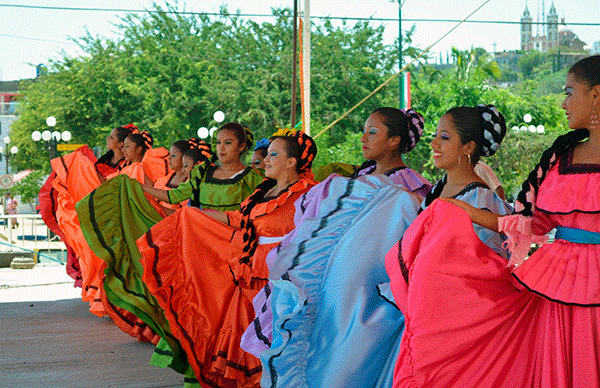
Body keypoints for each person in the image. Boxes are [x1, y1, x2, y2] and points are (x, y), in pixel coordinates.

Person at [395, 55, 600, 387]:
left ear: (596, 95)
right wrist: (466, 213)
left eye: (569, 92)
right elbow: (529, 225)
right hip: (557, 286)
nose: (563, 103)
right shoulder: (559, 159)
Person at [243, 108, 431, 387]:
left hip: (372, 301)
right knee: (317, 355)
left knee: (352, 368)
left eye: (373, 132)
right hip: (331, 291)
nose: (364, 137)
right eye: (365, 130)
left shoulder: (413, 189)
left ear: (394, 141)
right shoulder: (350, 182)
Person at [136, 130, 318, 388]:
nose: (265, 159)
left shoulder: (310, 194)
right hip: (248, 274)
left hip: (283, 282)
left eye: (273, 155)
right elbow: (239, 219)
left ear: (291, 162)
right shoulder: (263, 190)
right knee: (247, 342)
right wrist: (194, 217)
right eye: (267, 154)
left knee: (277, 347)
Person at [142, 122, 264, 211]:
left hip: (234, 243)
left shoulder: (253, 178)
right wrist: (139, 187)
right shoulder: (203, 174)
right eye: (218, 142)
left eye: (228, 143)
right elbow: (173, 196)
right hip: (202, 240)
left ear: (241, 146)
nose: (221, 148)